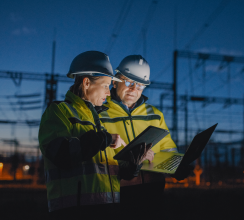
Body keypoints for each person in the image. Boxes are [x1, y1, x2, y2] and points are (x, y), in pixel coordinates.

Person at [38, 51, 150, 218]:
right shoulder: (59, 112)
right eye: (105, 85)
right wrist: (105, 138)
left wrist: (133, 165)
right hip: (73, 211)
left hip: (109, 210)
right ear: (86, 83)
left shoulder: (101, 121)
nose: (108, 92)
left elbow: (113, 172)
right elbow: (62, 154)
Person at [99, 55, 190, 213]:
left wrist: (177, 165)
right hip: (118, 195)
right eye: (129, 82)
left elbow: (167, 148)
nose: (134, 89)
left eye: (140, 86)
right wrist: (129, 164)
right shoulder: (99, 114)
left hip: (153, 192)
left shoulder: (155, 114)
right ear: (115, 81)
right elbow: (96, 159)